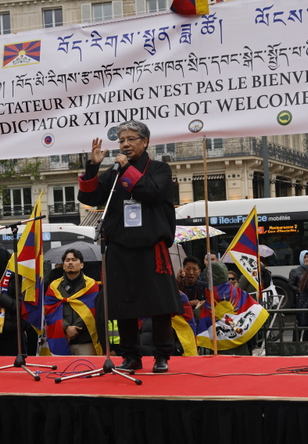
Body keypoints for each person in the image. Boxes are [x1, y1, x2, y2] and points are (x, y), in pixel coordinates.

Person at [77, 120, 181, 373]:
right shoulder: (113, 172)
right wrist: (93, 166)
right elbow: (88, 197)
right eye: (121, 140)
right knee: (124, 306)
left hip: (150, 247)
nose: (124, 144)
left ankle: (161, 356)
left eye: (131, 139)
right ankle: (131, 356)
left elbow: (153, 192)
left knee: (159, 306)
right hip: (120, 247)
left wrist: (126, 171)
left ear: (144, 142)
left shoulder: (159, 169)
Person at [196, 262, 268, 355]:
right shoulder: (239, 292)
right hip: (242, 347)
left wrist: (197, 310)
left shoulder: (211, 296)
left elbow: (204, 318)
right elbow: (256, 311)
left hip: (220, 350)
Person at [46, 249, 102, 356]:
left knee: (87, 371)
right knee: (62, 371)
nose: (70, 262)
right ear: (63, 265)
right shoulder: (54, 286)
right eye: (67, 260)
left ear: (81, 265)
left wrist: (76, 328)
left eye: (74, 260)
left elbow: (93, 309)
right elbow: (49, 310)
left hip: (86, 340)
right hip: (62, 339)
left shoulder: (91, 285)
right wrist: (66, 327)